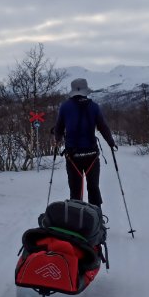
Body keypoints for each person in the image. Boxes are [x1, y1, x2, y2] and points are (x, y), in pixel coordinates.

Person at [52, 78, 117, 216]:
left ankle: (75, 219)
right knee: (93, 187)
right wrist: (111, 142)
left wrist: (57, 139)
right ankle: (97, 218)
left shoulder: (64, 107)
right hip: (91, 154)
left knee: (75, 189)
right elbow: (103, 127)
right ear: (85, 90)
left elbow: (58, 129)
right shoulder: (94, 106)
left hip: (72, 155)